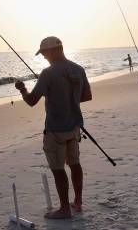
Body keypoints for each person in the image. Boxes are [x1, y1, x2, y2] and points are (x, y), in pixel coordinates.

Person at [15, 36, 92, 219]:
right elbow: (87, 96)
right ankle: (78, 202)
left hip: (56, 130)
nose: (43, 57)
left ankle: (65, 209)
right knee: (75, 164)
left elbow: (32, 101)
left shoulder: (48, 73)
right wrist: (68, 98)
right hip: (74, 127)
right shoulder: (78, 69)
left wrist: (22, 90)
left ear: (54, 51)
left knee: (58, 169)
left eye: (44, 53)